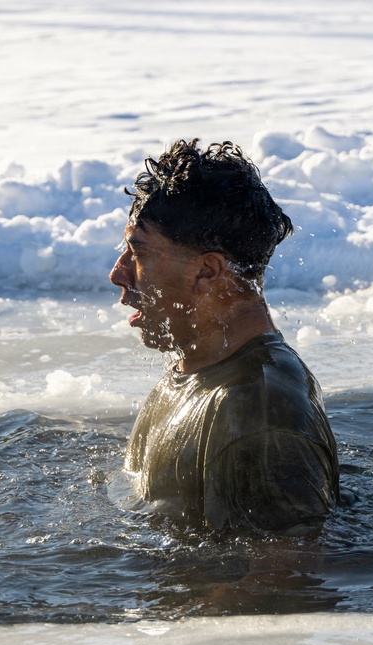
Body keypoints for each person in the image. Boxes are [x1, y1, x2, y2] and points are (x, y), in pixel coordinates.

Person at [109, 139, 339, 535]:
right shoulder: (197, 371)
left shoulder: (258, 412)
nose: (119, 273)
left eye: (139, 253)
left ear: (207, 272)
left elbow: (284, 584)